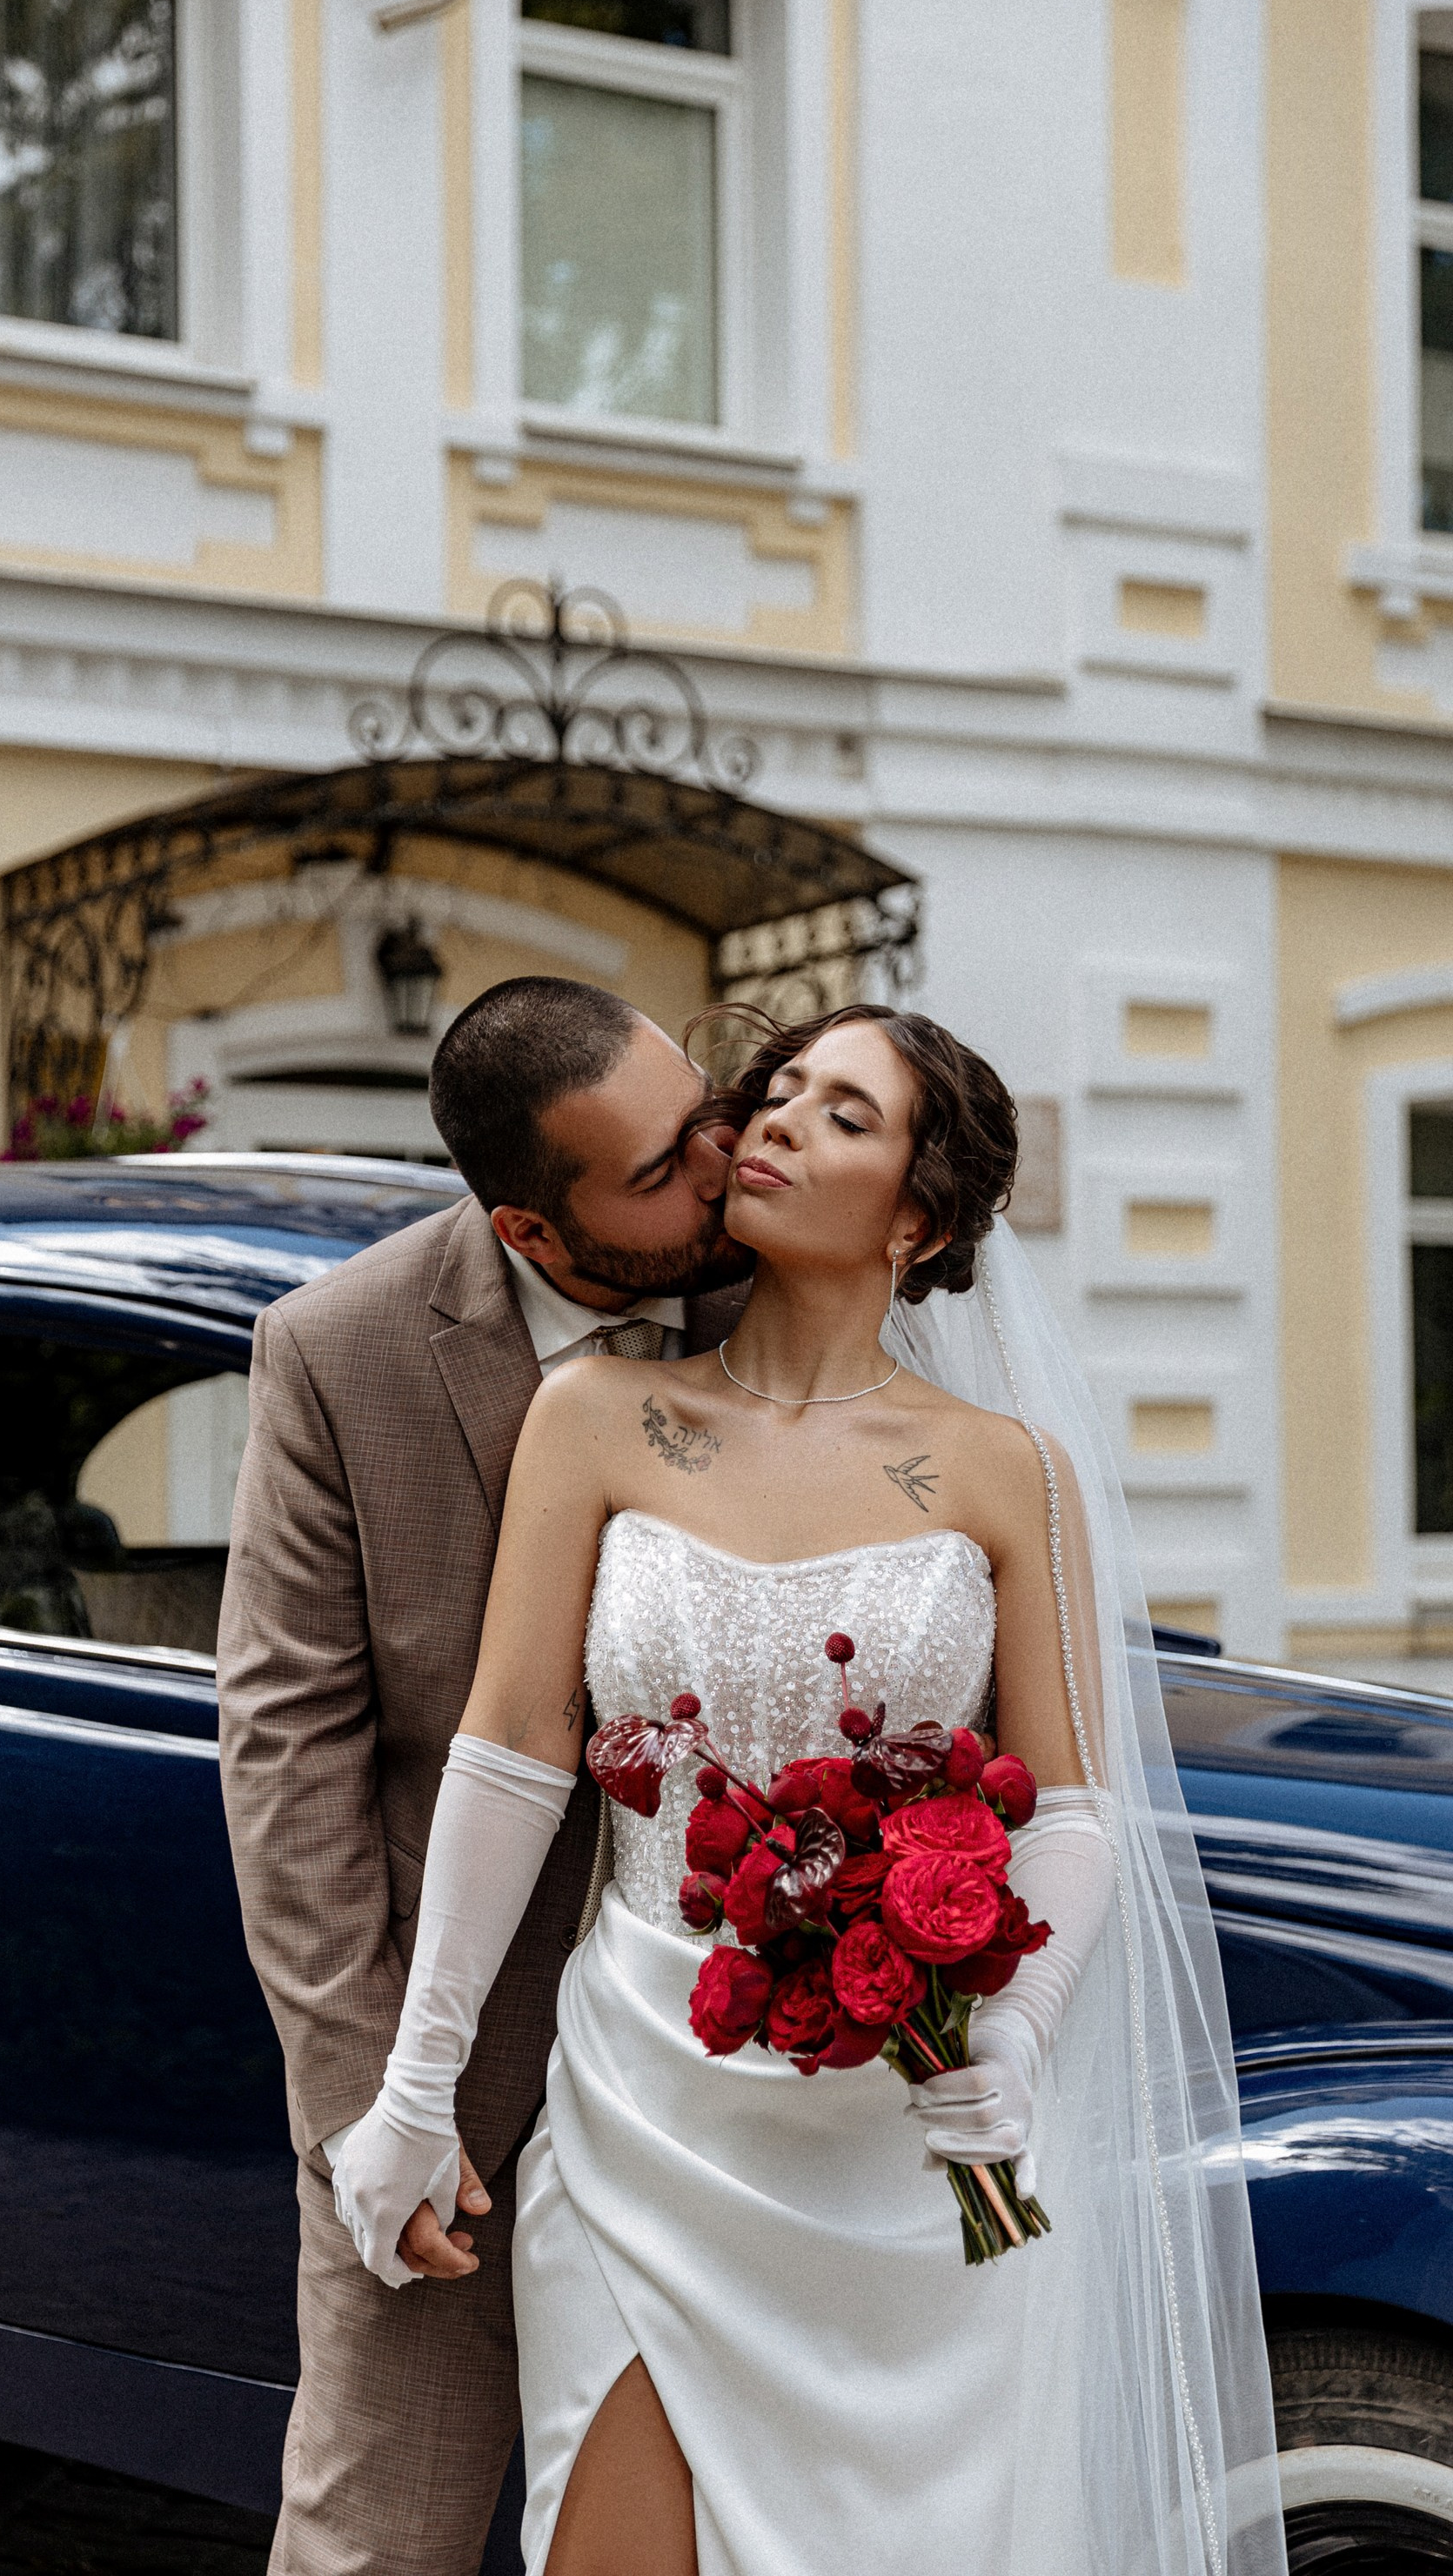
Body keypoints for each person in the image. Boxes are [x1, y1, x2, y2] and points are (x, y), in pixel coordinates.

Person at [333, 1001, 1289, 2576]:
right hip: (644, 2104)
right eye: (777, 1092)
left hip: (906, 2146)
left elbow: (1070, 1811)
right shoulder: (598, 1417)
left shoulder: (1005, 1470)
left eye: (845, 1115)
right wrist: (415, 2087)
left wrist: (1015, 2039)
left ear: (919, 1220)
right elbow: (511, 1753)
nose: (777, 1121)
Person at [216, 977, 750, 2576]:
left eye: (702, 1116)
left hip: (734, 2078)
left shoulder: (776, 1286)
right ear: (529, 1226)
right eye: (656, 1170)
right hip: (458, 2090)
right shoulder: (339, 1351)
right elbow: (288, 1748)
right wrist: (370, 2103)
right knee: (378, 2539)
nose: (718, 1168)